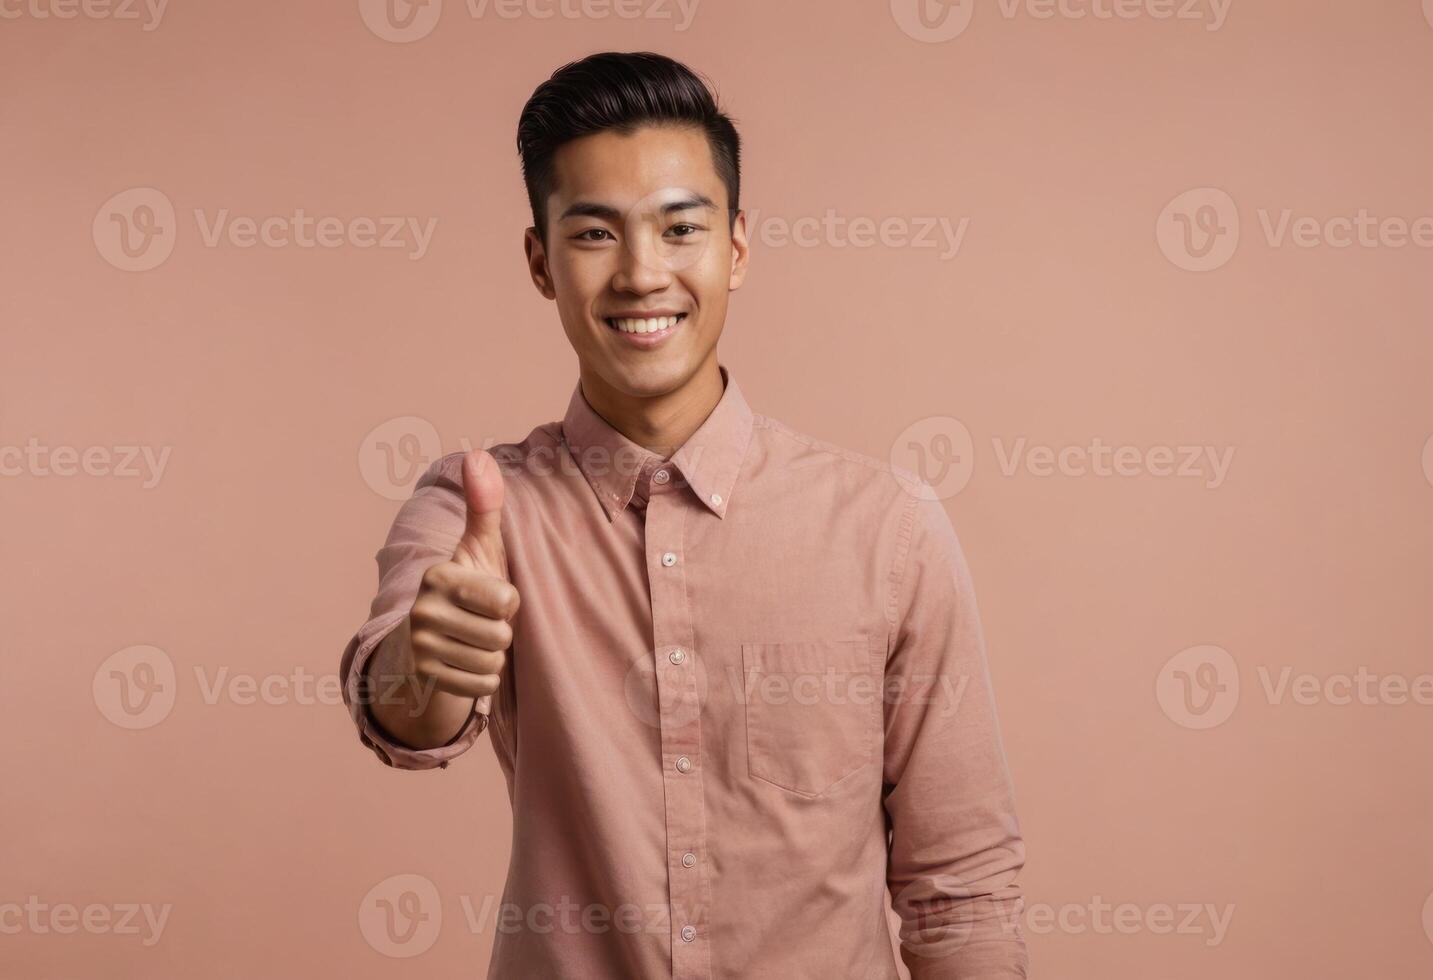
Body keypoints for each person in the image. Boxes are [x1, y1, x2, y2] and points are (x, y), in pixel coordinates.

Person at [340, 50, 1028, 979]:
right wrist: (424, 664)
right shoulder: (474, 511)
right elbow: (403, 714)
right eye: (593, 235)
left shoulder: (886, 529)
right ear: (540, 262)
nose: (639, 274)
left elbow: (962, 887)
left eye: (678, 228)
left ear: (734, 248)